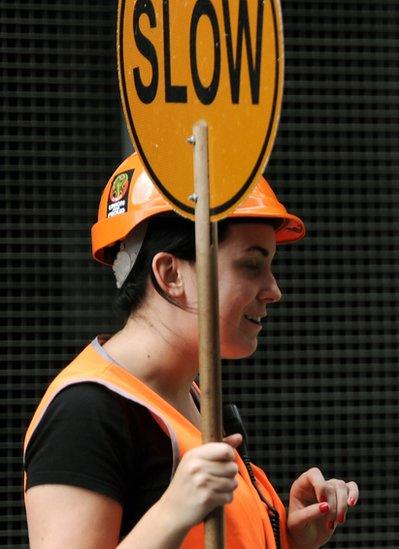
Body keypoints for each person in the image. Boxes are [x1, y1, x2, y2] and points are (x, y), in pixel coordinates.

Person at [23, 153, 359, 548]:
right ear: (170, 274)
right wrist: (174, 510)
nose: (273, 290)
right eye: (252, 266)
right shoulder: (86, 413)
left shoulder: (190, 396)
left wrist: (285, 536)